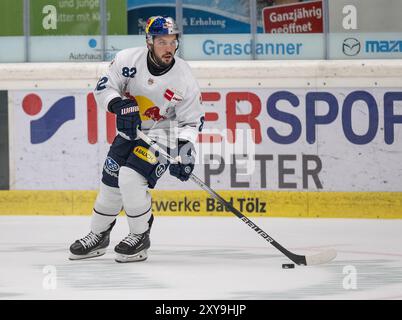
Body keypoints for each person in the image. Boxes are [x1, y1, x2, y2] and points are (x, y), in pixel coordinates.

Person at [69, 16, 204, 263]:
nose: (168, 48)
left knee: (130, 178)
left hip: (163, 135)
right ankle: (99, 235)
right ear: (149, 42)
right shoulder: (127, 60)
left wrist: (184, 148)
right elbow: (103, 88)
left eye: (173, 41)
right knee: (110, 185)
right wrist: (119, 104)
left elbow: (192, 121)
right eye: (162, 41)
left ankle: (140, 236)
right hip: (129, 134)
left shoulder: (183, 76)